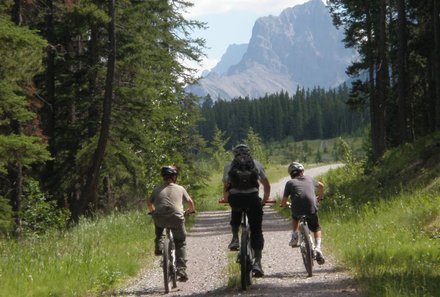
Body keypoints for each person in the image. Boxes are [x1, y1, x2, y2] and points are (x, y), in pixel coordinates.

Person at [220, 144, 271, 277]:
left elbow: (226, 185)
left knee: (235, 209)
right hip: (253, 199)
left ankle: (235, 238)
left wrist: (226, 198)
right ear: (249, 153)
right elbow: (266, 183)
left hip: (236, 199)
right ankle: (258, 263)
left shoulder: (229, 165)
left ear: (234, 154)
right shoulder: (256, 163)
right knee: (256, 229)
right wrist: (265, 199)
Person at [147, 165, 195, 281]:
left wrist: (153, 211)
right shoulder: (180, 188)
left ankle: (159, 244)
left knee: (158, 223)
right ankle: (181, 269)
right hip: (176, 218)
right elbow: (190, 202)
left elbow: (149, 202)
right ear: (174, 177)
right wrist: (190, 210)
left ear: (163, 177)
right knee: (181, 242)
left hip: (160, 218)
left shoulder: (157, 189)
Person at [280, 162, 325, 265]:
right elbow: (321, 186)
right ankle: (318, 248)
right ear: (302, 172)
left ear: (291, 174)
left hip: (297, 208)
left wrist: (285, 204)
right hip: (311, 207)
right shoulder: (309, 178)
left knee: (295, 217)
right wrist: (320, 197)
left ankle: (295, 236)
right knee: (316, 228)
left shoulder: (290, 183)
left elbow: (284, 201)